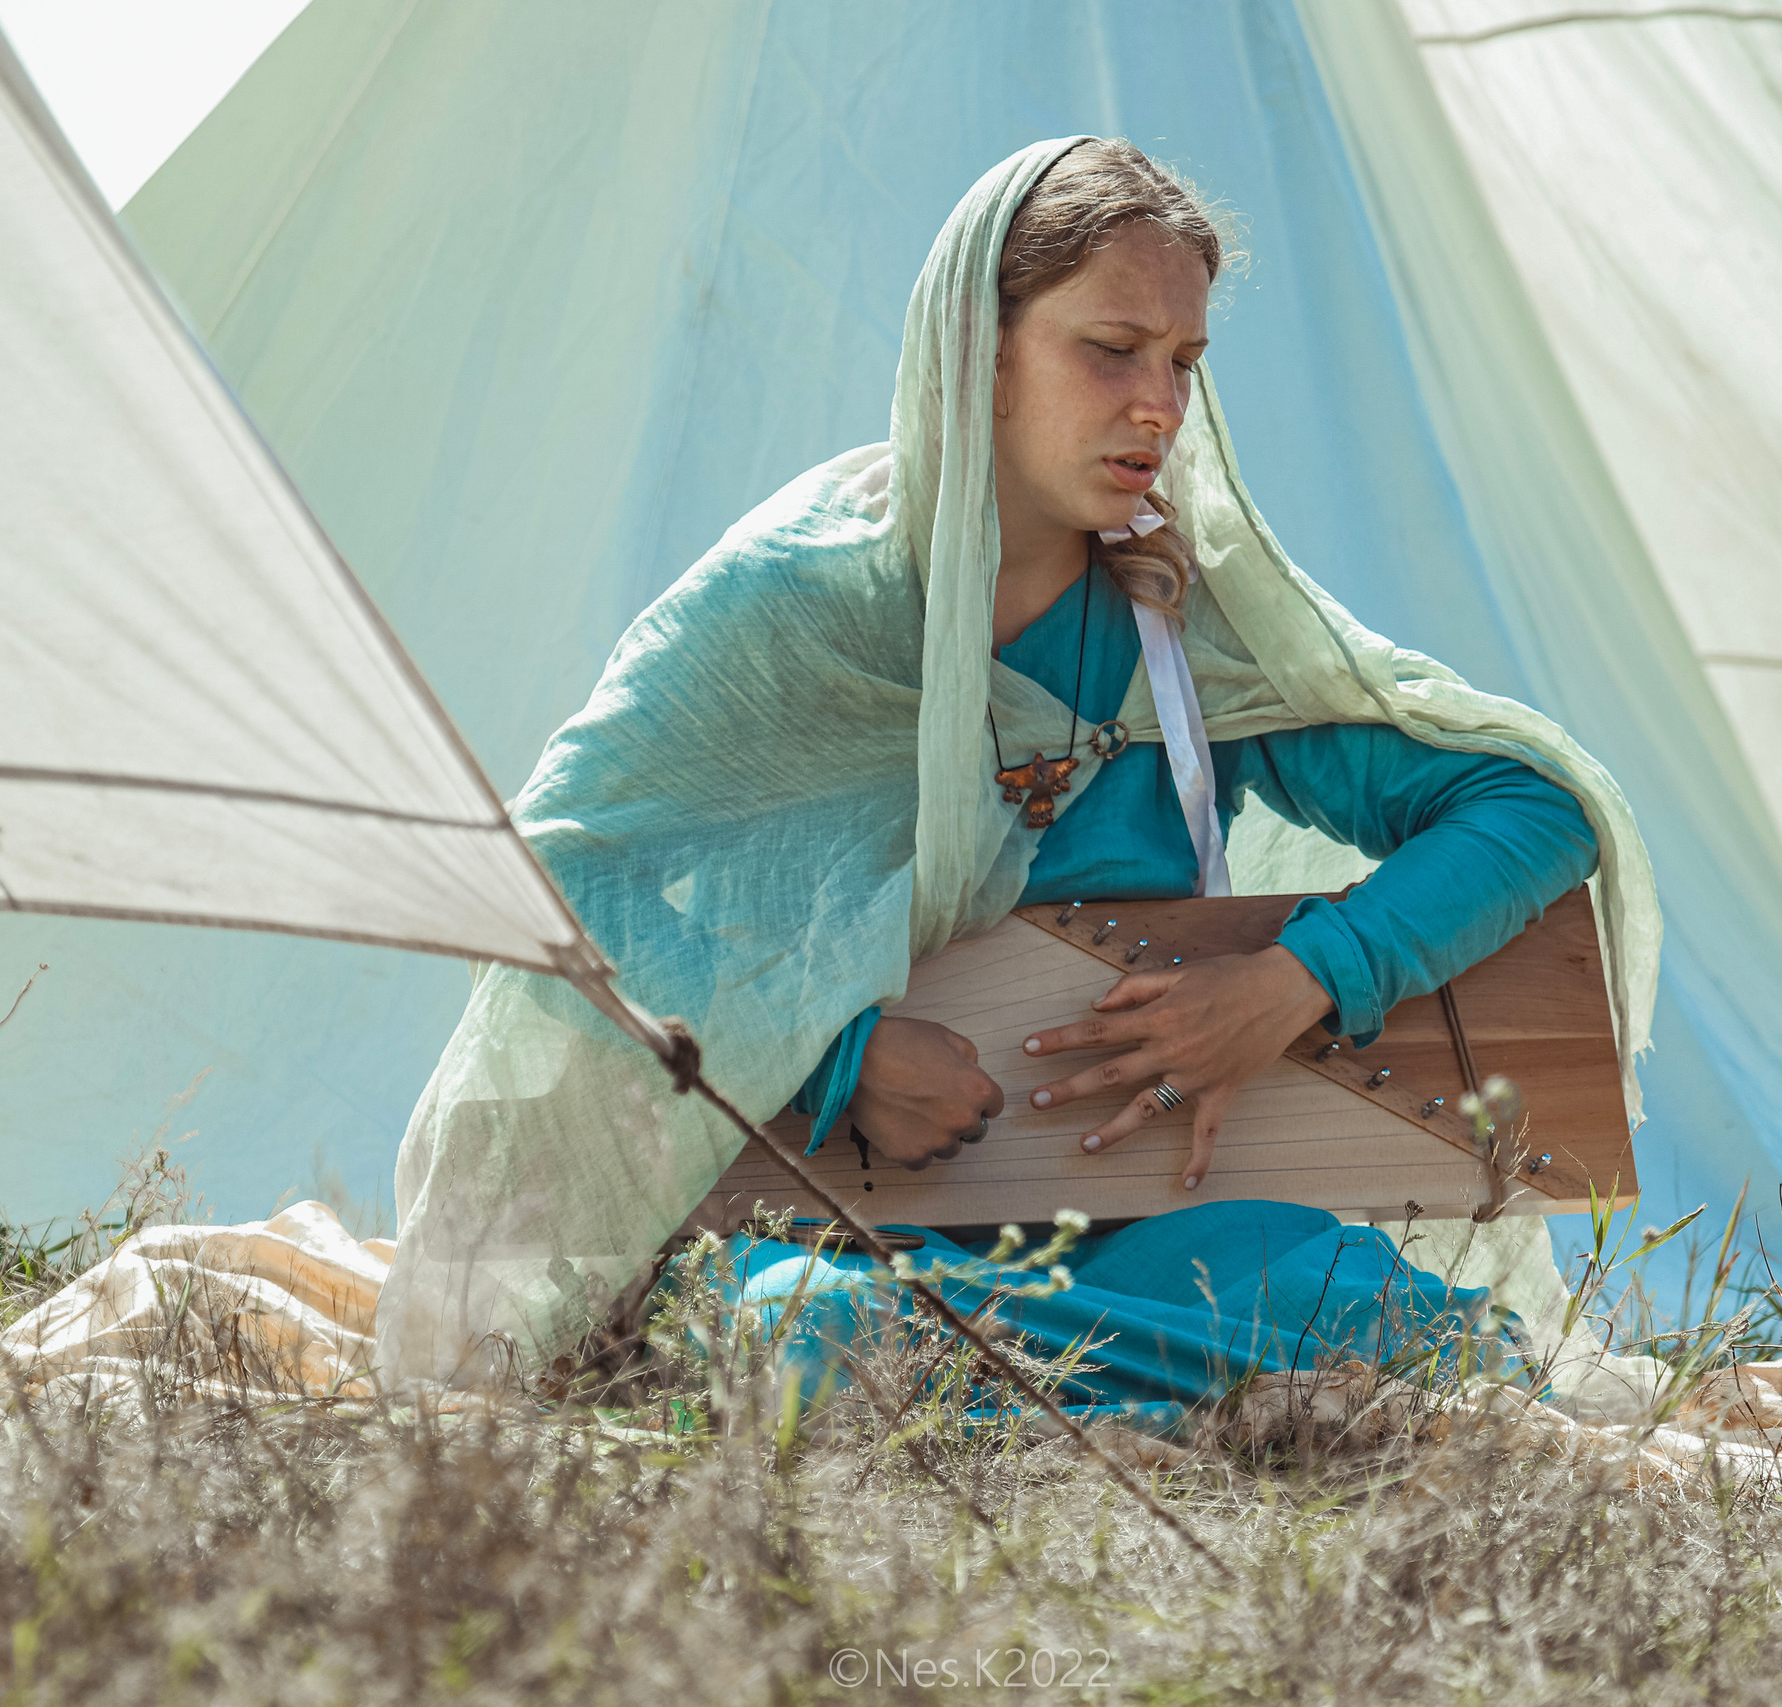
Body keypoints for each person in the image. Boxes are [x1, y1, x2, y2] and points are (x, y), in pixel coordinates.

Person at [372, 139, 1662, 1423]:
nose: (1159, 403)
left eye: (1185, 362)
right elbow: (551, 885)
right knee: (811, 1336)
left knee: (1395, 1326)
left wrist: (1295, 981)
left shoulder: (1191, 631)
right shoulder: (794, 605)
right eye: (1113, 348)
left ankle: (1057, 1395)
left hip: (1122, 1236)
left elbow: (1529, 806)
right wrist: (834, 1054)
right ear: (978, 352)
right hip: (809, 1228)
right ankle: (1175, 1406)